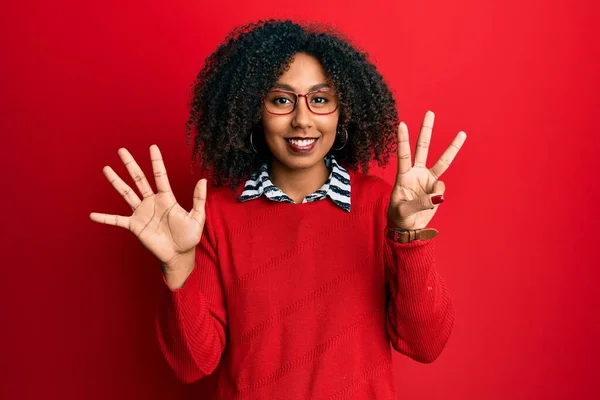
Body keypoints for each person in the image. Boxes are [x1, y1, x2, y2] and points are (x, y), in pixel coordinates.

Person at [89, 19, 467, 399]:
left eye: (320, 99)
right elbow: (192, 365)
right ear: (255, 109)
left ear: (342, 111)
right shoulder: (215, 216)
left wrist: (409, 236)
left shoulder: (382, 207)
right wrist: (178, 265)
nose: (302, 119)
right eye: (281, 100)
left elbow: (424, 345)